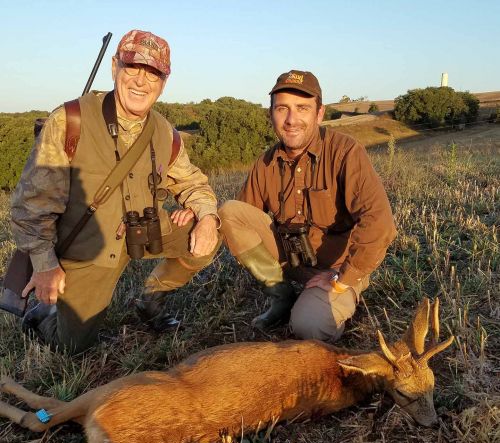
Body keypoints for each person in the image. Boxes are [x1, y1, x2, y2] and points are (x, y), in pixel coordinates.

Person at [11, 30, 220, 354]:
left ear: (164, 82)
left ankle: (151, 299)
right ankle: (45, 315)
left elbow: (192, 182)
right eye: (133, 67)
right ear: (114, 67)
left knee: (210, 236)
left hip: (145, 233)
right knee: (73, 347)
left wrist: (206, 217)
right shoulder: (70, 121)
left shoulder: (165, 132)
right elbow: (31, 205)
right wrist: (44, 264)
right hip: (90, 248)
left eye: (153, 73)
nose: (141, 81)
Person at [218, 70, 396, 341]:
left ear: (319, 113)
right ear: (271, 114)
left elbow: (379, 222)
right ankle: (281, 296)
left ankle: (333, 299)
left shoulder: (346, 152)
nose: (291, 120)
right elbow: (243, 220)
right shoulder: (265, 163)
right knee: (228, 212)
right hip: (290, 261)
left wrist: (342, 280)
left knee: (309, 327)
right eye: (282, 109)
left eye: (302, 108)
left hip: (335, 271)